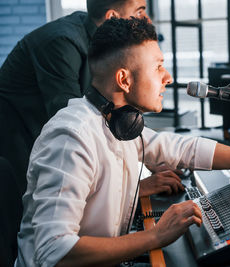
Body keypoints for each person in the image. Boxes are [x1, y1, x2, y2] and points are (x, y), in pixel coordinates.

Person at [15, 17, 230, 266]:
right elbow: (55, 251)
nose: (167, 78)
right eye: (158, 67)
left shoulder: (118, 122)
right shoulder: (71, 137)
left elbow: (184, 149)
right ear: (124, 79)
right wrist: (156, 236)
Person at [0, 0, 151, 199]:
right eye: (139, 12)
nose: (147, 20)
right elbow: (75, 126)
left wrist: (150, 162)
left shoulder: (102, 43)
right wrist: (133, 187)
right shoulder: (61, 42)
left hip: (39, 131)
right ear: (112, 17)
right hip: (16, 136)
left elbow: (106, 113)